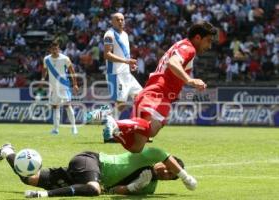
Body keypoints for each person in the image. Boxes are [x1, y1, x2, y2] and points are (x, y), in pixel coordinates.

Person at [89, 21, 217, 152]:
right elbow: (173, 63)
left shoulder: (182, 45)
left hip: (154, 92)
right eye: (208, 41)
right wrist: (190, 80)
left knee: (137, 146)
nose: (209, 46)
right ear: (197, 38)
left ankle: (114, 125)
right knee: (152, 129)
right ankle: (112, 122)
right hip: (159, 92)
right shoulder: (188, 48)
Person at [0, 144, 197, 198]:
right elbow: (166, 155)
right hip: (91, 161)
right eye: (169, 170)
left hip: (84, 177)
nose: (166, 174)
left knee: (28, 179)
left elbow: (114, 191)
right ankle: (45, 195)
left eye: (170, 177)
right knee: (94, 189)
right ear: (163, 162)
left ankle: (7, 150)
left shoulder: (150, 186)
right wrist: (186, 178)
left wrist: (133, 187)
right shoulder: (151, 153)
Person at [85, 12, 143, 142]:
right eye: (118, 19)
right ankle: (105, 127)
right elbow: (107, 55)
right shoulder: (109, 35)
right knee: (120, 105)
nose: (121, 21)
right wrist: (126, 62)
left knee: (141, 97)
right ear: (112, 22)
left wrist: (130, 64)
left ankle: (138, 130)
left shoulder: (125, 34)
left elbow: (124, 54)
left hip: (126, 73)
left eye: (122, 19)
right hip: (116, 74)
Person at [42, 41, 79, 134]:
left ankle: (74, 127)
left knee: (67, 105)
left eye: (57, 49)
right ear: (50, 50)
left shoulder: (65, 59)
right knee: (55, 107)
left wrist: (75, 84)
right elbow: (44, 70)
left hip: (64, 86)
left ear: (59, 49)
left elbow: (72, 71)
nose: (55, 51)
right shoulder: (46, 59)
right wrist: (42, 79)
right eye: (53, 49)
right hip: (53, 87)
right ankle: (56, 129)